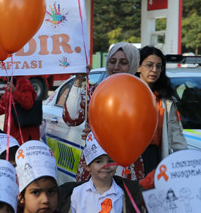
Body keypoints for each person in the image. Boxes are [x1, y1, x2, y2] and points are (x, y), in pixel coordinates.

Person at [62, 42, 144, 181]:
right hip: (94, 165)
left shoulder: (141, 94)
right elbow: (71, 119)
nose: (116, 67)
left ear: (133, 65)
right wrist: (78, 80)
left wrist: (101, 134)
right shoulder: (95, 91)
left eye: (123, 63)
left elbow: (140, 133)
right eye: (112, 61)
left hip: (125, 167)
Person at [135, 46, 187, 174]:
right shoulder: (129, 93)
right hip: (131, 154)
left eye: (158, 66)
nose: (154, 70)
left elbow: (175, 131)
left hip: (154, 155)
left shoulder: (165, 98)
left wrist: (185, 158)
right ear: (138, 67)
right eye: (149, 65)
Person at [0, 76, 40, 142]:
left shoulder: (24, 82)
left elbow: (28, 104)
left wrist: (14, 91)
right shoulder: (10, 82)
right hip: (12, 133)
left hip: (23, 135)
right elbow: (3, 106)